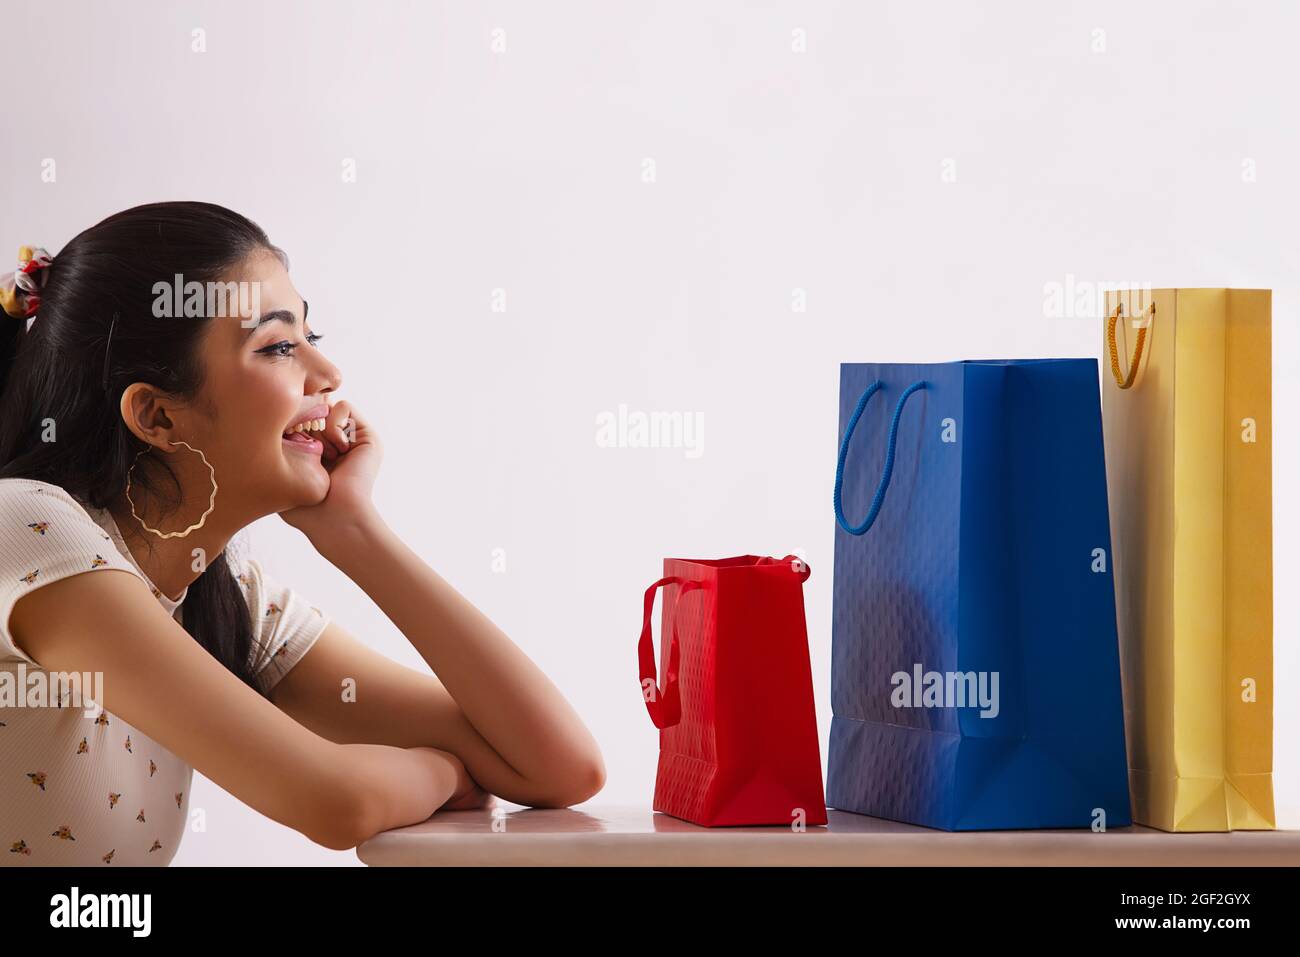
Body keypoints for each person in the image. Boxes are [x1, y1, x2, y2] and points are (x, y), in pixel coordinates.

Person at [0, 202, 604, 866]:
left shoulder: (224, 599)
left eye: (312, 336)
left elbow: (560, 767)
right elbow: (334, 801)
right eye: (281, 346)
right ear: (157, 415)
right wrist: (448, 773)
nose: (328, 375)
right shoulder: (28, 527)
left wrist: (356, 532)